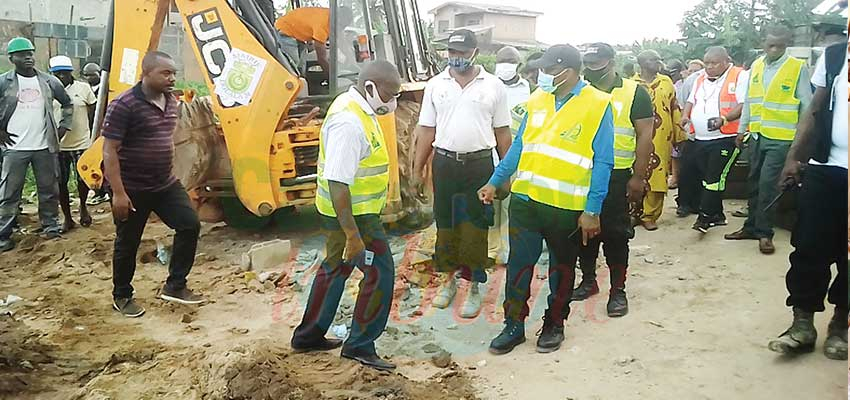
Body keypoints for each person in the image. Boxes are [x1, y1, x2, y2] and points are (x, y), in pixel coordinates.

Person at [478, 44, 614, 355]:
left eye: (551, 71)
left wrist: (592, 210)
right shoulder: (538, 99)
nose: (545, 76)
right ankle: (513, 325)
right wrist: (495, 181)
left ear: (569, 71)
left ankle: (555, 323)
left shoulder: (597, 104)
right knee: (518, 266)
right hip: (526, 200)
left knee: (562, 269)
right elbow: (519, 147)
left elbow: (604, 161)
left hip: (566, 208)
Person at [291, 61, 401, 371]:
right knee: (380, 274)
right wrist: (353, 236)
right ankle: (360, 345)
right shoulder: (350, 123)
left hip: (345, 215)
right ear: (369, 87)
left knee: (334, 269)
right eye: (389, 94)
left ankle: (308, 336)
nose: (393, 102)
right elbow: (338, 182)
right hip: (355, 218)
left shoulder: (355, 106)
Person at [412, 29, 512, 319]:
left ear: (475, 53)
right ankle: (448, 283)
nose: (455, 58)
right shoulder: (435, 85)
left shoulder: (493, 86)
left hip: (480, 166)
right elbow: (426, 130)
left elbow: (502, 132)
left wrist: (504, 174)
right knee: (445, 224)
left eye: (461, 52)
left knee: (475, 227)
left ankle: (473, 287)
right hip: (444, 165)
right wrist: (418, 169)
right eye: (451, 52)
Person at [102, 51, 204, 318]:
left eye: (173, 73)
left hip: (165, 184)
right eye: (166, 73)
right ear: (146, 73)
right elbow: (110, 150)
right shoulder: (124, 105)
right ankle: (122, 295)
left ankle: (175, 285)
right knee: (128, 242)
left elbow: (165, 138)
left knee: (189, 224)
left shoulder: (171, 101)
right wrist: (119, 194)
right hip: (132, 187)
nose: (172, 78)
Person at [768, 40, 847, 361]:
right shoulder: (835, 56)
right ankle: (802, 324)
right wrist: (793, 157)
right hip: (825, 169)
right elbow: (814, 111)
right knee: (809, 246)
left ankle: (840, 324)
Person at [570, 43, 655, 317]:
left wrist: (638, 177)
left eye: (599, 62)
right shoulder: (579, 90)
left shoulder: (634, 93)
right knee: (584, 232)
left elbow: (645, 136)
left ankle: (618, 291)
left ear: (612, 61)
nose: (594, 68)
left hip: (618, 175)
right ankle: (588, 280)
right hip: (583, 173)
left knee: (616, 236)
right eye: (590, 63)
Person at [724, 26, 812, 255]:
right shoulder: (757, 66)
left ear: (786, 44)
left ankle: (765, 233)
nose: (774, 49)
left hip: (781, 139)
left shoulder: (796, 68)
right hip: (756, 135)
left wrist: (800, 143)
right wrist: (741, 130)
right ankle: (751, 226)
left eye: (779, 46)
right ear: (764, 42)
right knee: (752, 182)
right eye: (770, 44)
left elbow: (807, 106)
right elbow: (750, 102)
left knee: (767, 185)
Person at [0, 37, 72, 252]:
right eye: (22, 54)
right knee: (9, 193)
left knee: (48, 190)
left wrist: (62, 127)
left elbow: (67, 103)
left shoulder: (49, 81)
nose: (28, 57)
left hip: (44, 146)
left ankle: (50, 226)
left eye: (31, 53)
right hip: (14, 148)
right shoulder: (4, 82)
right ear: (12, 58)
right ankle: (4, 234)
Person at [679, 46, 747, 233]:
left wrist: (724, 119)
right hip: (700, 138)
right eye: (706, 63)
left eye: (714, 63)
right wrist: (685, 115)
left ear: (726, 61)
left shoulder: (739, 76)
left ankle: (705, 217)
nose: (709, 67)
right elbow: (691, 101)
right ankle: (717, 215)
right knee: (705, 177)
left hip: (725, 137)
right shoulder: (700, 78)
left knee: (715, 177)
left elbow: (744, 104)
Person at [634, 50, 685, 231]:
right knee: (636, 173)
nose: (658, 62)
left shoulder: (666, 83)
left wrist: (679, 135)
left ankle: (650, 216)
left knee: (658, 175)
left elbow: (674, 108)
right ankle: (634, 213)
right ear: (641, 63)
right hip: (637, 137)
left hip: (662, 137)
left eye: (658, 59)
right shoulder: (631, 85)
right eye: (652, 59)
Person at [489, 46, 531, 265]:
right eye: (502, 60)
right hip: (488, 153)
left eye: (510, 60)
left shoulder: (529, 90)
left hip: (516, 154)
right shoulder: (487, 85)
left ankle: (506, 249)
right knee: (489, 203)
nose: (505, 64)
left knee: (509, 204)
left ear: (519, 64)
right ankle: (490, 248)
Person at [49, 55, 96, 231]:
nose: (61, 77)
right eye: (57, 74)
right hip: (58, 145)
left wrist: (90, 134)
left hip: (81, 143)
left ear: (71, 73)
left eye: (64, 73)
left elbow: (93, 112)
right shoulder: (48, 90)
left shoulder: (83, 89)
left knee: (83, 180)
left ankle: (83, 207)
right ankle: (67, 218)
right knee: (61, 182)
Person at [274, 7, 352, 75]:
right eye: (341, 25)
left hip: (298, 35)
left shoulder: (334, 19)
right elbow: (321, 59)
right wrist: (332, 77)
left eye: (344, 26)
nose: (341, 29)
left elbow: (342, 42)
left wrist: (351, 60)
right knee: (292, 69)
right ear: (337, 19)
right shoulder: (323, 24)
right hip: (285, 31)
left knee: (301, 67)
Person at [671, 59, 706, 190]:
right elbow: (683, 104)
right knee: (686, 166)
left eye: (696, 71)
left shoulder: (706, 83)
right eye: (690, 71)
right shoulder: (684, 85)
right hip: (688, 131)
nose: (693, 74)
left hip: (705, 134)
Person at [81, 62, 110, 206]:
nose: (89, 77)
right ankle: (98, 191)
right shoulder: (85, 90)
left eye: (92, 74)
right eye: (86, 75)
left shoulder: (107, 89)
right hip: (89, 130)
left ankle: (104, 191)